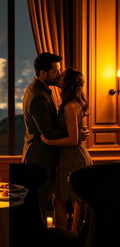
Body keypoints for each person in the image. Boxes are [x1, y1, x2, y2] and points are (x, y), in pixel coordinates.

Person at [22, 52, 88, 224]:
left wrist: (74, 133)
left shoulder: (42, 90)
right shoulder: (37, 96)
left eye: (59, 72)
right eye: (55, 71)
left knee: (54, 201)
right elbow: (49, 133)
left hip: (54, 155)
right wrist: (75, 134)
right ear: (43, 73)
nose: (59, 74)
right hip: (40, 157)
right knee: (40, 203)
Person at [40, 67, 93, 233]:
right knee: (74, 200)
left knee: (63, 199)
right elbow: (76, 134)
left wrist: (47, 140)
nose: (58, 77)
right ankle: (72, 236)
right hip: (72, 155)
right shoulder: (72, 104)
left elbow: (72, 139)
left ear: (68, 83)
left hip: (72, 157)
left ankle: (64, 236)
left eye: (61, 76)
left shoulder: (70, 107)